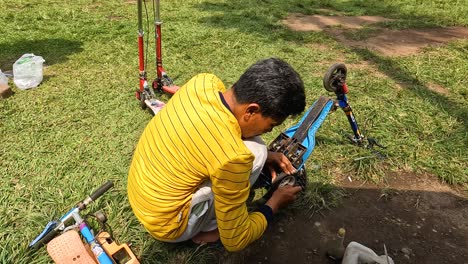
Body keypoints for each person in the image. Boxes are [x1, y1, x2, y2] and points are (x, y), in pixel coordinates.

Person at [127, 57, 306, 252]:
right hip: (168, 225)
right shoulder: (234, 158)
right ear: (251, 111)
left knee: (260, 149)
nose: (269, 131)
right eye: (271, 125)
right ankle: (211, 228)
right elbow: (236, 240)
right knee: (256, 152)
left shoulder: (203, 82)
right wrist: (275, 203)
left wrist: (267, 154)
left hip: (142, 195)